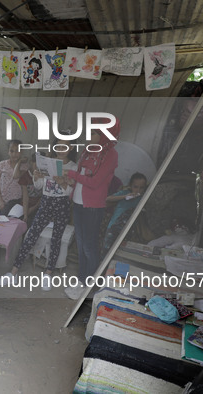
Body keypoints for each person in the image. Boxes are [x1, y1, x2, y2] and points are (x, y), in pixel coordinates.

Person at [0, 136, 78, 291]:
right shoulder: (48, 162)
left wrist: (62, 183)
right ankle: (13, 272)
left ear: (71, 148)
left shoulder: (73, 167)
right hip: (46, 201)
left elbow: (69, 192)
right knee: (31, 234)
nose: (60, 150)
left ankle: (48, 273)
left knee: (56, 238)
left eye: (64, 147)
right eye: (58, 147)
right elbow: (40, 186)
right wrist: (36, 177)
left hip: (62, 204)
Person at [64, 119, 120, 300]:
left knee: (89, 247)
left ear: (104, 135)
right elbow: (81, 178)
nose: (90, 136)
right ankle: (81, 281)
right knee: (80, 245)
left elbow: (95, 183)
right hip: (79, 203)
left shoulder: (111, 155)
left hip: (94, 206)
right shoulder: (88, 151)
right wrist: (68, 179)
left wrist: (73, 174)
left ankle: (89, 285)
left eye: (94, 133)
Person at [103, 172, 147, 255]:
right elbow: (108, 199)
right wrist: (125, 196)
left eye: (141, 188)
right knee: (107, 252)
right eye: (135, 187)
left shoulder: (143, 198)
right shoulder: (124, 193)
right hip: (114, 228)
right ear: (130, 185)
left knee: (121, 253)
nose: (138, 190)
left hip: (128, 230)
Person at [0, 139, 26, 215]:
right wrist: (0, 201)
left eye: (17, 151)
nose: (14, 154)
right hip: (0, 197)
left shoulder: (24, 167)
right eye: (11, 151)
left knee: (3, 216)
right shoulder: (2, 164)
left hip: (14, 199)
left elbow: (16, 175)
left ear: (21, 152)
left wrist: (19, 162)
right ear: (8, 152)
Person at [18, 153, 42, 225]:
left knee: (34, 221)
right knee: (21, 220)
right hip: (25, 205)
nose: (38, 166)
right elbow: (25, 197)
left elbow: (43, 197)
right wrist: (25, 214)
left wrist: (33, 208)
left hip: (39, 205)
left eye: (41, 164)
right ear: (31, 162)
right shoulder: (25, 176)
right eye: (36, 162)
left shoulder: (45, 177)